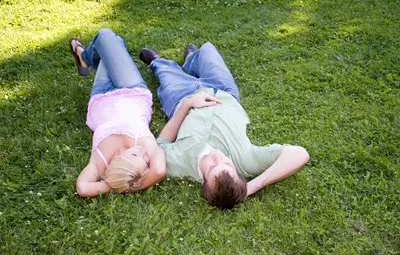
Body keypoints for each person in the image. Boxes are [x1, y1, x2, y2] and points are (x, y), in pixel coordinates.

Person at [139, 42, 310, 209]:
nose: (217, 158)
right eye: (227, 165)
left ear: (203, 180)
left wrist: (188, 105)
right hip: (223, 91)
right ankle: (191, 60)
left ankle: (158, 61)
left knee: (164, 70)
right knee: (207, 49)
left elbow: (161, 143)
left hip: (181, 95)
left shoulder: (180, 165)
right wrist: (250, 188)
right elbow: (299, 154)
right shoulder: (245, 162)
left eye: (212, 167)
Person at [69, 28, 166, 197]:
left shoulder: (100, 161)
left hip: (101, 95)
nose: (145, 154)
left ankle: (85, 57)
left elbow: (83, 188)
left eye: (137, 155)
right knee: (109, 39)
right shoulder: (145, 145)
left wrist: (114, 184)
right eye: (146, 161)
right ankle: (85, 58)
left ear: (121, 160)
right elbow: (158, 171)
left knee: (109, 40)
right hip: (131, 89)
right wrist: (133, 185)